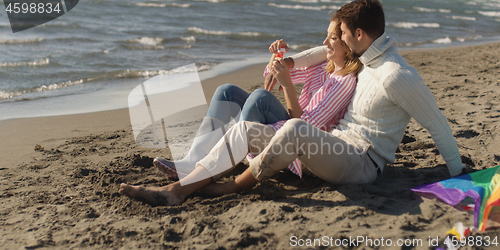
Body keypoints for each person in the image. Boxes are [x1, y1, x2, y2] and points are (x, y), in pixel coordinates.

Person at [119, 0, 465, 206]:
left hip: (364, 164)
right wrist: (289, 63)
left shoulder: (392, 73)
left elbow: (436, 123)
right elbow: (324, 54)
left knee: (295, 126)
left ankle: (228, 186)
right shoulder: (367, 59)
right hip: (335, 148)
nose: (335, 40)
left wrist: (461, 178)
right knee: (244, 129)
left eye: (340, 34)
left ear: (358, 36)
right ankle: (176, 189)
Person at [153, 17, 362, 180]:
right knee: (226, 91)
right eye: (326, 36)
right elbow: (270, 77)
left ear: (347, 44)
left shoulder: (344, 82)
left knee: (260, 98)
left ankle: (217, 162)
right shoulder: (321, 67)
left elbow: (305, 125)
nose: (325, 42)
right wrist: (277, 56)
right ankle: (193, 160)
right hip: (287, 126)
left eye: (332, 38)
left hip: (296, 147)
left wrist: (288, 85)